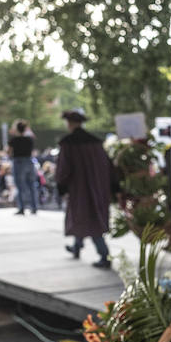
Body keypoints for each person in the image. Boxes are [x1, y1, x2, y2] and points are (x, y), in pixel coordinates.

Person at [55, 108, 115, 269]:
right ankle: (76, 247)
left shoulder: (68, 144)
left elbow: (64, 169)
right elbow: (108, 166)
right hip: (98, 188)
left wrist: (61, 186)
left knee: (88, 219)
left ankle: (104, 255)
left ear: (69, 123)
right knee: (83, 217)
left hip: (79, 189)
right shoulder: (96, 142)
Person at [9, 119, 39, 215]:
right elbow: (33, 136)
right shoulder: (29, 139)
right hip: (29, 161)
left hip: (18, 161)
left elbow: (9, 151)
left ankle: (22, 207)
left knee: (20, 185)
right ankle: (34, 207)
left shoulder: (14, 139)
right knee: (31, 185)